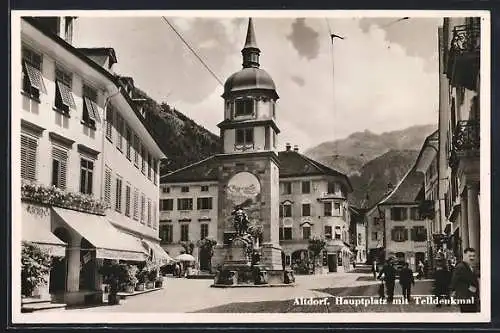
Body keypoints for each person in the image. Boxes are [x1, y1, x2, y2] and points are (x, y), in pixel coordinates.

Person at [451, 247, 479, 312]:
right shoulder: (460, 267)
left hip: (470, 297)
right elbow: (454, 281)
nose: (472, 258)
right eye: (470, 256)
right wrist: (469, 287)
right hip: (466, 298)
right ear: (465, 256)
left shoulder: (469, 266)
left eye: (473, 256)